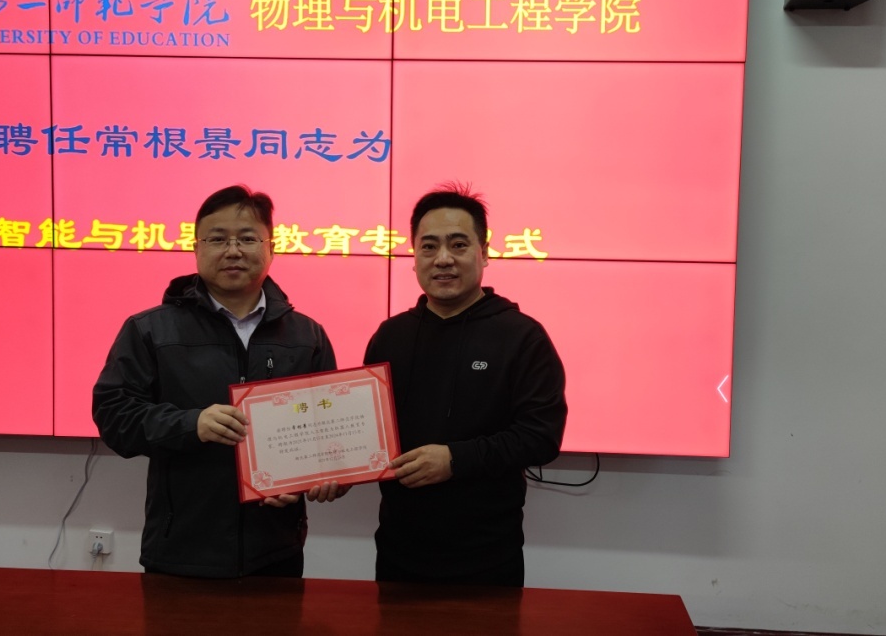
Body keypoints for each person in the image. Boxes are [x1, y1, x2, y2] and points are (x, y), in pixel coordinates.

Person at [93, 185, 346, 578]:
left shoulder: (307, 336)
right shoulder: (150, 330)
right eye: (217, 239)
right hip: (180, 550)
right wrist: (191, 424)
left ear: (271, 248)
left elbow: (329, 434)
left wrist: (324, 477)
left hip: (275, 552)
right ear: (196, 248)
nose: (233, 250)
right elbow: (114, 417)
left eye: (247, 238)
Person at [364, 183, 568, 587]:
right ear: (413, 256)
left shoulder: (522, 336)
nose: (443, 259)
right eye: (429, 247)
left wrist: (455, 459)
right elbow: (366, 432)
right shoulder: (390, 336)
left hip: (487, 556)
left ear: (484, 252)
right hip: (398, 552)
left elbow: (541, 437)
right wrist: (330, 469)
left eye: (458, 245)